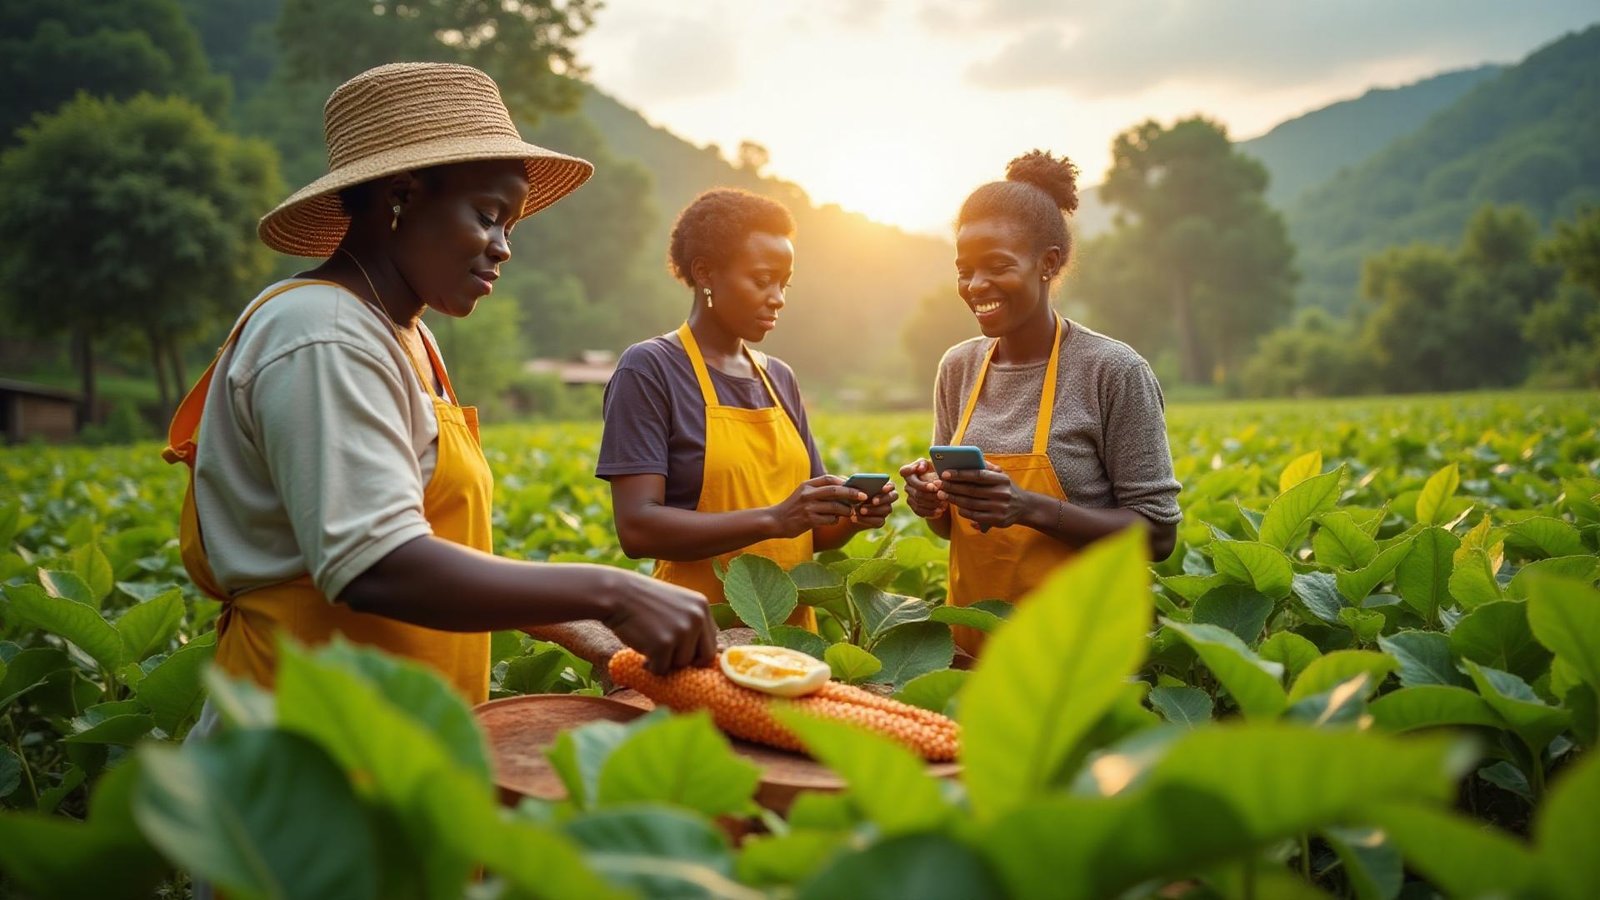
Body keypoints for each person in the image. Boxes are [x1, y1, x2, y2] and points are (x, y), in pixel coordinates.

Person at [163, 62, 717, 708]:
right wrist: (614, 592)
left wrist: (598, 637)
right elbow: (380, 563)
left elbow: (442, 551)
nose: (503, 247)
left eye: (511, 225)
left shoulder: (411, 338)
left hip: (402, 737)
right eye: (488, 215)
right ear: (401, 195)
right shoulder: (322, 331)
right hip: (305, 743)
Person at [899, 150, 1181, 655]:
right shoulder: (958, 367)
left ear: (1048, 263)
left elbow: (1157, 535)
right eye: (964, 270)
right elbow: (951, 528)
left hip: (1076, 657)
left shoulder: (1113, 371)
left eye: (997, 267)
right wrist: (932, 502)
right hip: (973, 650)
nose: (975, 286)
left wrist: (1028, 506)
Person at [597, 188, 896, 632]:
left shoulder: (779, 378)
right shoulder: (650, 368)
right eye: (761, 280)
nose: (777, 297)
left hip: (791, 639)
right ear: (705, 273)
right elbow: (638, 529)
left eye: (784, 283)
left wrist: (852, 517)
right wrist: (774, 519)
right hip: (694, 633)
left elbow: (810, 530)